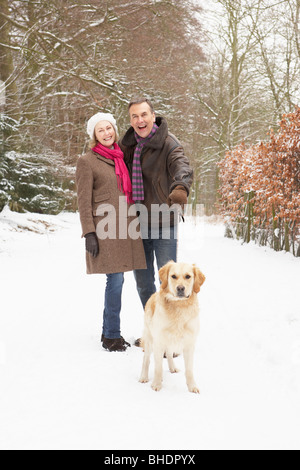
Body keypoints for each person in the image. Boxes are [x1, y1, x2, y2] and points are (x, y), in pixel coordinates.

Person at [119, 97, 193, 340]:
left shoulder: (169, 143)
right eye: (134, 116)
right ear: (130, 120)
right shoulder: (126, 146)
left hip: (164, 223)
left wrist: (180, 186)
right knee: (143, 284)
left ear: (153, 116)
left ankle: (172, 334)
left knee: (169, 284)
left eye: (144, 115)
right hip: (136, 224)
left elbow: (181, 165)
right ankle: (154, 331)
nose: (140, 120)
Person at [76, 112, 146, 352]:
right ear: (94, 136)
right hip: (105, 229)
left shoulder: (121, 157)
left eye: (109, 128)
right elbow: (83, 200)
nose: (106, 133)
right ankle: (111, 335)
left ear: (114, 130)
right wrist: (89, 233)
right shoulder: (87, 161)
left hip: (126, 227)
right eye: (100, 130)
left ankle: (110, 332)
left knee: (119, 278)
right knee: (115, 279)